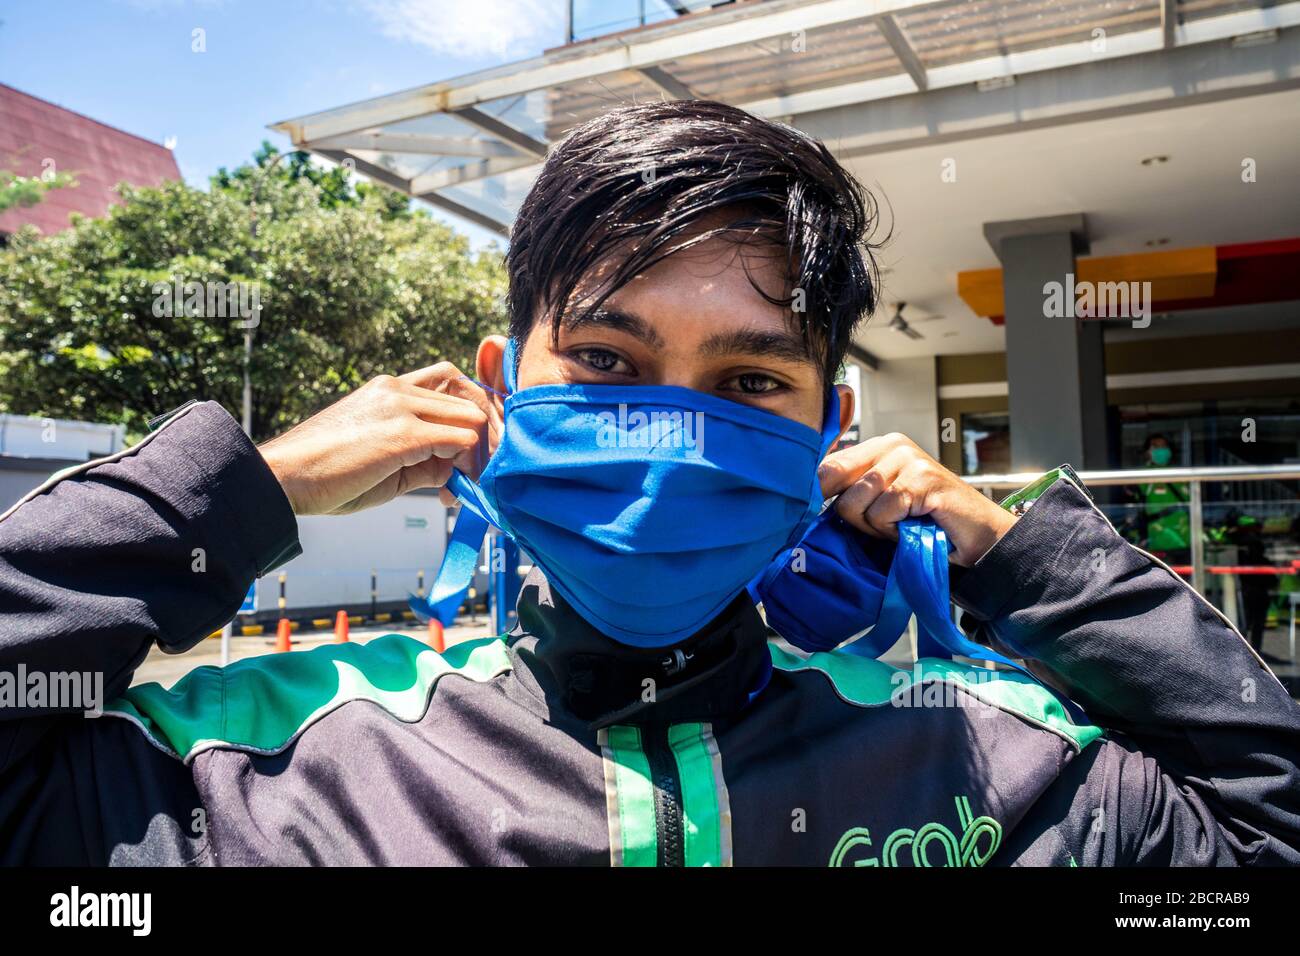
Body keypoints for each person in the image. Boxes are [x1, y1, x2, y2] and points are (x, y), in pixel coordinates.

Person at [1, 101, 1297, 866]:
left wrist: (1018, 549)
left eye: (745, 387)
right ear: (500, 389)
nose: (670, 447)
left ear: (827, 427)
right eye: (611, 362)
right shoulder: (266, 768)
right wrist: (248, 487)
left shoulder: (987, 763)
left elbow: (1265, 830)